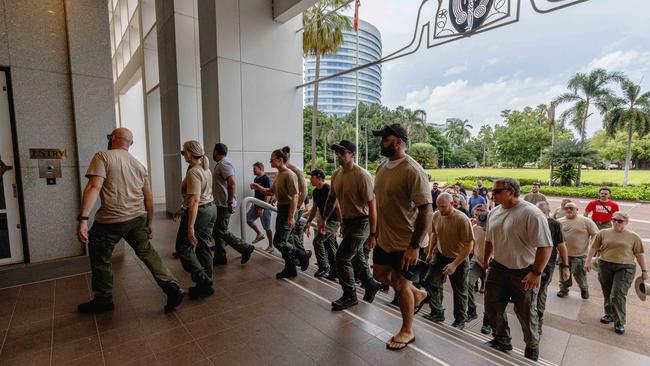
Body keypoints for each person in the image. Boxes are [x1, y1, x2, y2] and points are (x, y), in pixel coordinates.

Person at [76, 128, 183, 314]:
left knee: (100, 256)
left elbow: (94, 186)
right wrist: (149, 223)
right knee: (147, 253)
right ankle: (171, 286)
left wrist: (83, 219)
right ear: (130, 143)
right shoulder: (139, 165)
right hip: (137, 218)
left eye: (110, 137)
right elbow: (148, 198)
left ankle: (104, 299)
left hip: (110, 220)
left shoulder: (103, 156)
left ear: (114, 138)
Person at [369, 124, 433, 351]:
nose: (380, 142)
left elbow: (426, 211)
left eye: (384, 139)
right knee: (378, 274)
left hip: (407, 241)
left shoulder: (412, 170)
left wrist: (414, 246)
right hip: (385, 239)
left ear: (398, 142)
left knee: (399, 284)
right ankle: (418, 293)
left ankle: (407, 330)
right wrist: (374, 233)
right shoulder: (381, 168)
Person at [483, 178, 553, 361]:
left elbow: (545, 246)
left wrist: (536, 272)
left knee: (526, 313)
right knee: (492, 307)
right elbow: (489, 240)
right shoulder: (494, 212)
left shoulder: (531, 213)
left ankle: (532, 346)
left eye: (497, 191)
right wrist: (485, 262)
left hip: (523, 272)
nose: (493, 194)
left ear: (511, 191)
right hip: (498, 268)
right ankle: (502, 339)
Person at [322, 140, 382, 310]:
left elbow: (372, 206)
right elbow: (331, 199)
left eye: (343, 152)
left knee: (342, 257)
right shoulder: (336, 175)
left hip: (361, 222)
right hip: (347, 222)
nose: (339, 156)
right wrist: (325, 219)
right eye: (338, 153)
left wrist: (372, 233)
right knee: (356, 256)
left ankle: (350, 295)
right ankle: (370, 284)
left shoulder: (362, 175)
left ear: (353, 154)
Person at [251, 149, 311, 278]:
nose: (270, 161)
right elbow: (270, 191)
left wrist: (291, 217)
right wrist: (258, 187)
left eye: (272, 158)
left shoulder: (290, 175)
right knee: (283, 241)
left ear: (280, 160)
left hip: (288, 210)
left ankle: (302, 254)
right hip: (281, 209)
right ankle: (290, 268)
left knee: (279, 241)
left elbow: (295, 196)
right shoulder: (279, 175)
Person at [585, 212, 648, 335]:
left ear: (626, 222)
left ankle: (619, 321)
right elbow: (593, 248)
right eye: (614, 220)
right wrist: (588, 262)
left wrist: (644, 271)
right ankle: (609, 314)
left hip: (625, 267)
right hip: (605, 265)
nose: (616, 222)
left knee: (617, 294)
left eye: (620, 221)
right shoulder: (603, 233)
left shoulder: (633, 237)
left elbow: (639, 254)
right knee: (607, 292)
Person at [173, 141, 218, 299]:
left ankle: (204, 282)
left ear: (190, 154)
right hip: (211, 209)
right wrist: (182, 207)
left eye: (184, 151)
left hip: (200, 212)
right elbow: (195, 197)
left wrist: (190, 227)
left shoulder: (194, 172)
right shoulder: (205, 169)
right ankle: (207, 282)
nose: (182, 153)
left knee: (183, 248)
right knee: (203, 246)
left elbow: (194, 200)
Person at [422, 193, 473, 330]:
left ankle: (460, 320)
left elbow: (469, 245)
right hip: (440, 254)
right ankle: (437, 312)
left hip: (459, 258)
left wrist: (454, 264)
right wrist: (430, 251)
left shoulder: (462, 219)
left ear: (453, 204)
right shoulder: (436, 215)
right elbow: (434, 234)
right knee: (431, 281)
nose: (440, 210)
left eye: (443, 207)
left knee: (460, 290)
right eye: (438, 206)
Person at [211, 143, 255, 266]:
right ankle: (220, 256)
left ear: (216, 151)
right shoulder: (221, 164)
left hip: (225, 204)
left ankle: (245, 248)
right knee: (217, 230)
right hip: (220, 203)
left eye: (213, 151)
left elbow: (232, 183)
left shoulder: (225, 164)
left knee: (221, 230)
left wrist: (230, 201)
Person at [535, 201, 570, 335]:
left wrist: (565, 266)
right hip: (529, 263)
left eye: (543, 212)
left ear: (548, 212)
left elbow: (561, 247)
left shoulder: (555, 225)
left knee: (541, 291)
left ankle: (538, 320)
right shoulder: (532, 221)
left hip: (547, 265)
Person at [557, 202, 599, 299]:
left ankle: (584, 289)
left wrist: (592, 248)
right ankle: (563, 289)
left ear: (577, 210)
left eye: (571, 208)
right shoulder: (559, 222)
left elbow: (596, 234)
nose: (568, 210)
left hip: (580, 255)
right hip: (563, 255)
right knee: (563, 273)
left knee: (580, 275)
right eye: (566, 208)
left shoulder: (586, 221)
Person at [305, 168, 340, 279]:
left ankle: (324, 267)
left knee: (317, 241)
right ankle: (335, 272)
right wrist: (308, 222)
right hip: (325, 221)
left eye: (312, 177)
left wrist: (342, 224)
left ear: (319, 178)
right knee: (330, 247)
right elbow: (315, 208)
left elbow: (337, 206)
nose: (310, 179)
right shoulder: (315, 191)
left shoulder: (328, 189)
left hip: (333, 221)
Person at [281, 146, 310, 259]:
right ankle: (297, 259)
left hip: (295, 209)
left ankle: (302, 256)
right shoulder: (282, 171)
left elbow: (304, 191)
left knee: (292, 235)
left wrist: (297, 208)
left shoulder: (295, 170)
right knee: (290, 235)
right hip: (287, 208)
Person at [466, 212, 491, 335]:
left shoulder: (498, 231)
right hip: (477, 261)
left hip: (492, 265)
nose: (483, 227)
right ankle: (472, 310)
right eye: (482, 224)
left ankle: (487, 322)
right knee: (467, 283)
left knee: (490, 295)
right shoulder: (476, 228)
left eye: (486, 224)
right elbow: (470, 242)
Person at [246, 162, 274, 252]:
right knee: (248, 219)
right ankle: (259, 234)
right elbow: (258, 192)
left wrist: (263, 208)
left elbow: (268, 195)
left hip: (265, 207)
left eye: (255, 169)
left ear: (260, 168)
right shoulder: (256, 179)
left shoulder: (266, 179)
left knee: (267, 227)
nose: (253, 170)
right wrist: (254, 188)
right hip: (256, 205)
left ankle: (271, 246)